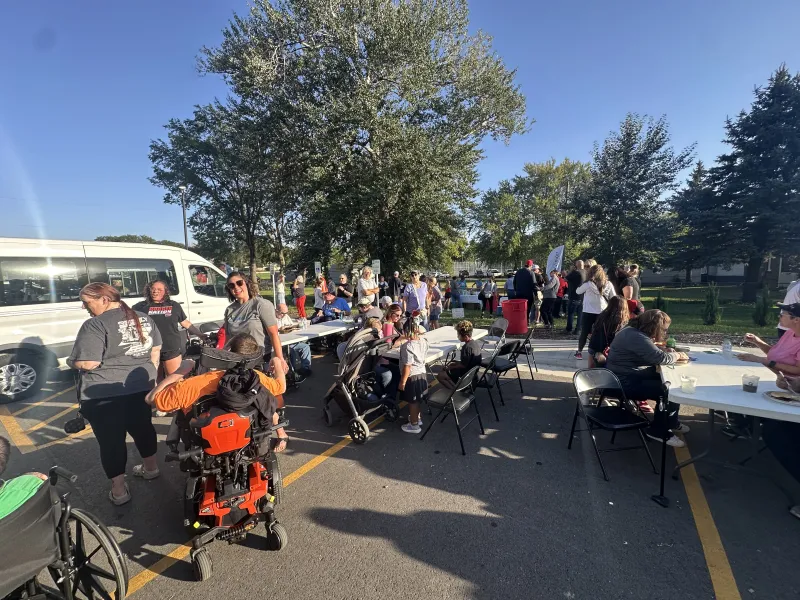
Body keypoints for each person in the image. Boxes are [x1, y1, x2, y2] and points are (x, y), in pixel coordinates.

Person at [67, 282, 162, 505]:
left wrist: (71, 361)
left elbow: (89, 363)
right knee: (143, 428)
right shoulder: (143, 317)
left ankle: (119, 492)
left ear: (104, 300)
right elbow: (155, 351)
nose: (85, 308)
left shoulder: (95, 325)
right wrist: (149, 377)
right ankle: (151, 468)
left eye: (87, 302)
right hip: (140, 387)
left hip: (104, 393)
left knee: (111, 441)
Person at [146, 333, 288, 452]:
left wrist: (180, 372)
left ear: (226, 353)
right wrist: (276, 360)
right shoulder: (256, 379)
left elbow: (151, 399)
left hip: (205, 443)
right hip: (246, 438)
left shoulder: (196, 384)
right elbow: (281, 387)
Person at [605, 310, 690, 447]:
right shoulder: (636, 336)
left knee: (670, 383)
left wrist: (663, 351)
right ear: (654, 327)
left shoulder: (632, 331)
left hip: (628, 376)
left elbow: (651, 353)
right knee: (667, 390)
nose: (664, 333)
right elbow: (661, 358)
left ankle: (671, 422)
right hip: (624, 383)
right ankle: (657, 431)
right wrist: (679, 355)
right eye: (663, 330)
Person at [133, 280, 207, 380]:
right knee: (154, 381)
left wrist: (200, 335)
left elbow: (185, 323)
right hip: (151, 349)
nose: (155, 291)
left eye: (159, 289)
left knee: (175, 380)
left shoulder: (174, 305)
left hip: (171, 348)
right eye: (153, 289)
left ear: (165, 291)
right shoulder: (139, 307)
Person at [222, 272, 288, 373]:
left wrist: (280, 359)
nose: (236, 287)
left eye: (239, 283)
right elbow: (228, 339)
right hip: (237, 360)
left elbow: (273, 334)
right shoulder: (229, 310)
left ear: (246, 283)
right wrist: (223, 359)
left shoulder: (261, 304)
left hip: (259, 359)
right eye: (231, 285)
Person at [737, 302, 800, 377]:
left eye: (782, 315)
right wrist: (757, 341)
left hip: (786, 383)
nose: (778, 316)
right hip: (773, 374)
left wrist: (761, 360)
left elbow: (797, 370)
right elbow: (775, 355)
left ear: (796, 319)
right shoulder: (790, 332)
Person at [574, 264, 616, 359]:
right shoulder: (608, 284)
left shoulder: (588, 284)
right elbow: (613, 297)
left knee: (584, 332)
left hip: (588, 311)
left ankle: (579, 351)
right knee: (601, 331)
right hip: (602, 311)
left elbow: (578, 291)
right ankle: (601, 350)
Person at [398, 314, 430, 434]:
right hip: (422, 373)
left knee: (412, 402)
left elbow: (408, 365)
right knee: (418, 399)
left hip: (412, 376)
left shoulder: (407, 346)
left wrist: (403, 381)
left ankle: (414, 425)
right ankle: (418, 418)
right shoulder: (424, 341)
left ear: (406, 331)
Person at [587, 296, 630, 369]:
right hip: (614, 356)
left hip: (598, 351)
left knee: (595, 371)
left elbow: (594, 336)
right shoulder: (623, 323)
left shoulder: (601, 317)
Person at [436, 320, 481, 389]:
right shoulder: (475, 344)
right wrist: (456, 363)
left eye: (458, 334)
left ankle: (454, 391)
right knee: (451, 365)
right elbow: (467, 362)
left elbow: (463, 365)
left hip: (465, 375)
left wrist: (450, 368)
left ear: (465, 336)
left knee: (440, 376)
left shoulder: (466, 347)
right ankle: (454, 386)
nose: (457, 336)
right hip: (473, 373)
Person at [276, 303, 312, 376]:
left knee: (305, 347)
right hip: (280, 343)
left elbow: (291, 326)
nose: (284, 315)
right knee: (291, 351)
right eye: (282, 313)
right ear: (277, 311)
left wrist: (294, 327)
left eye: (286, 313)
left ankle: (305, 368)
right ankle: (293, 372)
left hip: (290, 341)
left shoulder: (286, 316)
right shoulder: (272, 318)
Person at [565, 260, 586, 333]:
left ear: (577, 265)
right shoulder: (586, 272)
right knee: (580, 314)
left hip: (574, 296)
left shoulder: (575, 273)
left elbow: (565, 278)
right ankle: (578, 329)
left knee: (571, 313)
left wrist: (571, 270)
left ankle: (569, 329)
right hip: (583, 296)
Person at [513, 260, 535, 325]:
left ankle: (519, 321)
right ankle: (526, 321)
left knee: (520, 308)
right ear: (530, 265)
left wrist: (516, 290)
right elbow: (534, 284)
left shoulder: (518, 272)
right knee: (527, 308)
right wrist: (536, 293)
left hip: (519, 293)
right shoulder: (531, 273)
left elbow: (514, 282)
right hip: (528, 294)